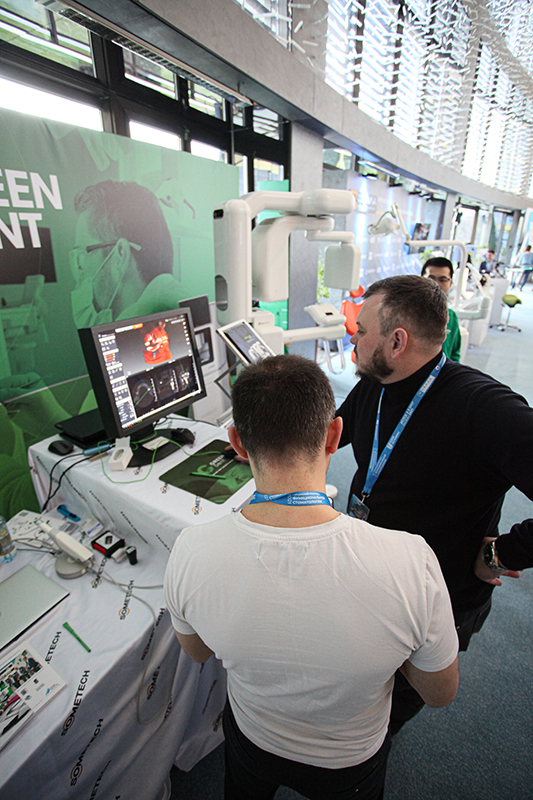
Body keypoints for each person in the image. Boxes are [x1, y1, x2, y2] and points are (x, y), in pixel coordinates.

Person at [164, 355, 459, 800]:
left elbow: (198, 651)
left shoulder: (190, 550)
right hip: (349, 762)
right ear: (335, 435)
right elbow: (439, 692)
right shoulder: (411, 562)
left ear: (237, 443)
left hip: (252, 739)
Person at [336, 275, 533, 733]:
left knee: (387, 714)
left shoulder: (485, 408)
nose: (353, 339)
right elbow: (336, 428)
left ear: (397, 341)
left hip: (435, 599)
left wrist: (503, 553)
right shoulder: (377, 381)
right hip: (372, 576)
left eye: (361, 331)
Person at [71, 179, 179, 328]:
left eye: (83, 255)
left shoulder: (143, 318)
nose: (80, 270)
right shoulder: (172, 300)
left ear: (120, 255)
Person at [420, 256, 461, 362]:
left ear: (450, 284)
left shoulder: (451, 317)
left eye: (443, 280)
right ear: (421, 279)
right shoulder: (406, 313)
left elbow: (454, 353)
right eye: (431, 279)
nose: (436, 284)